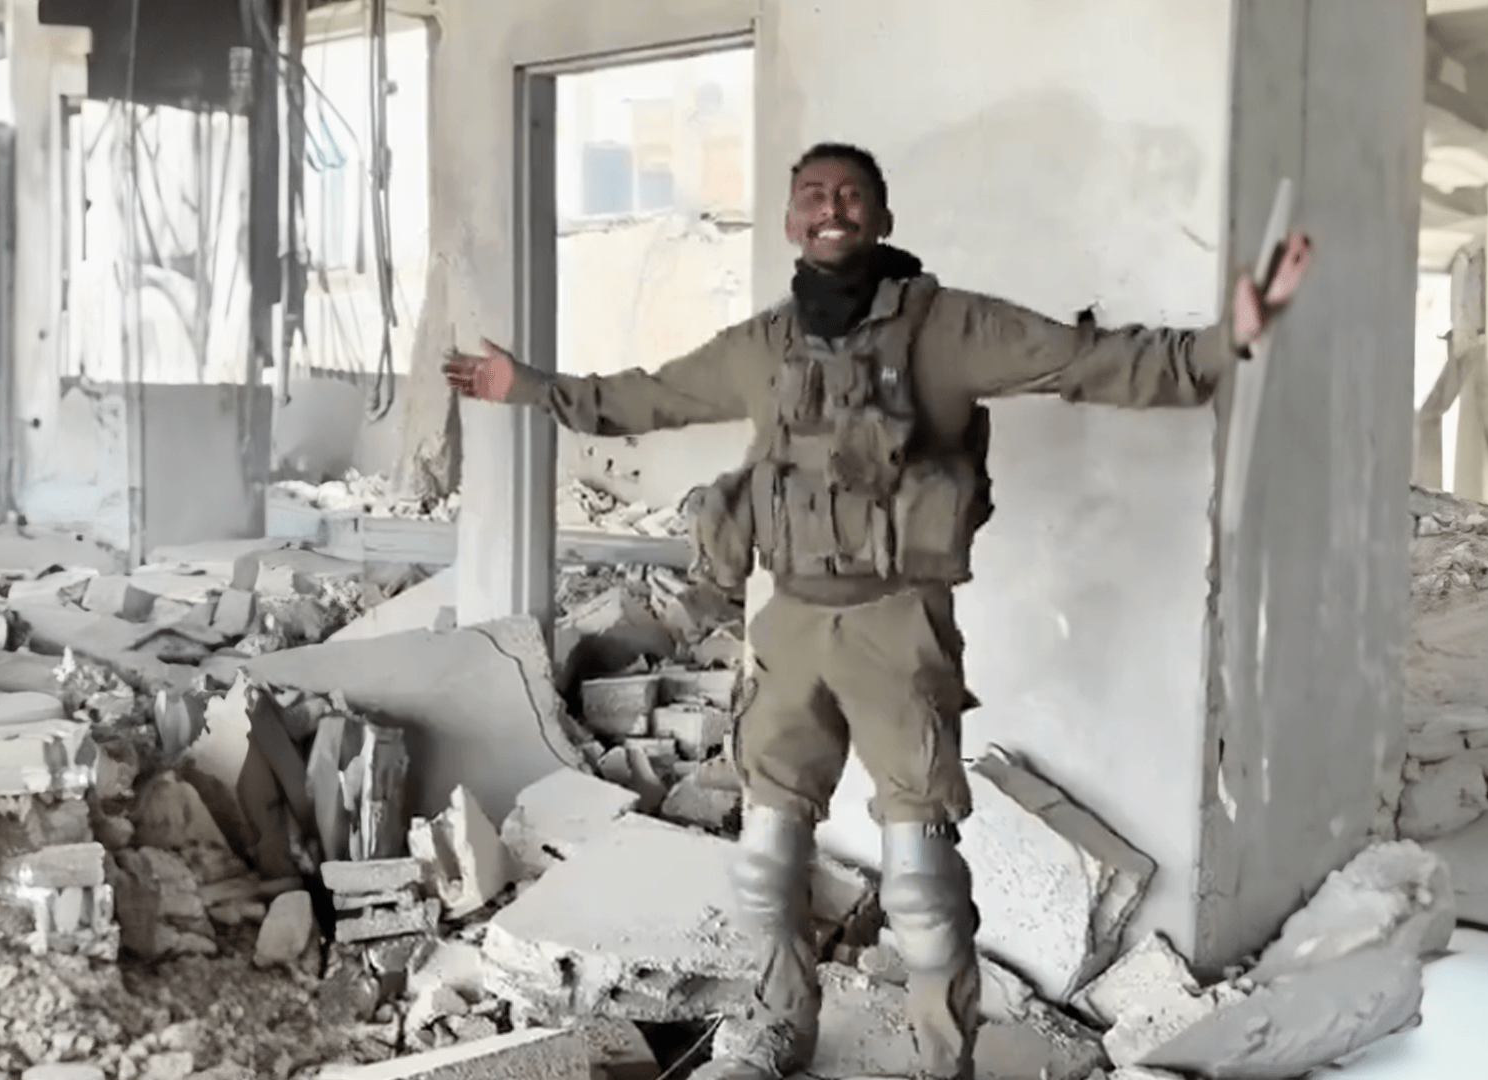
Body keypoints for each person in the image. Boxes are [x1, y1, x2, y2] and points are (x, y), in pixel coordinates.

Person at [446, 143, 1313, 1080]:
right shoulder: (762, 347)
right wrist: (525, 385)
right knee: (767, 861)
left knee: (921, 887)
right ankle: (781, 1028)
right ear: (788, 219)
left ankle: (945, 1060)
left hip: (899, 631)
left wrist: (1229, 339)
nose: (832, 208)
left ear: (882, 218)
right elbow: (639, 398)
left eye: (851, 195)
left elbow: (1089, 361)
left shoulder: (946, 329)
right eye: (813, 194)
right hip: (788, 631)